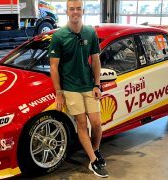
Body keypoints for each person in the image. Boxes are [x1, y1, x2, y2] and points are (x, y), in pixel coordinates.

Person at [49, 0, 108, 177]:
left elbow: (96, 60)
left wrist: (97, 84)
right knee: (82, 124)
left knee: (97, 124)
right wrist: (59, 92)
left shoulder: (90, 32)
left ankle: (95, 151)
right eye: (72, 9)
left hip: (89, 86)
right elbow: (53, 67)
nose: (75, 12)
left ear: (83, 11)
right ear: (66, 12)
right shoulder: (59, 36)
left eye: (78, 9)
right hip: (70, 88)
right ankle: (93, 161)